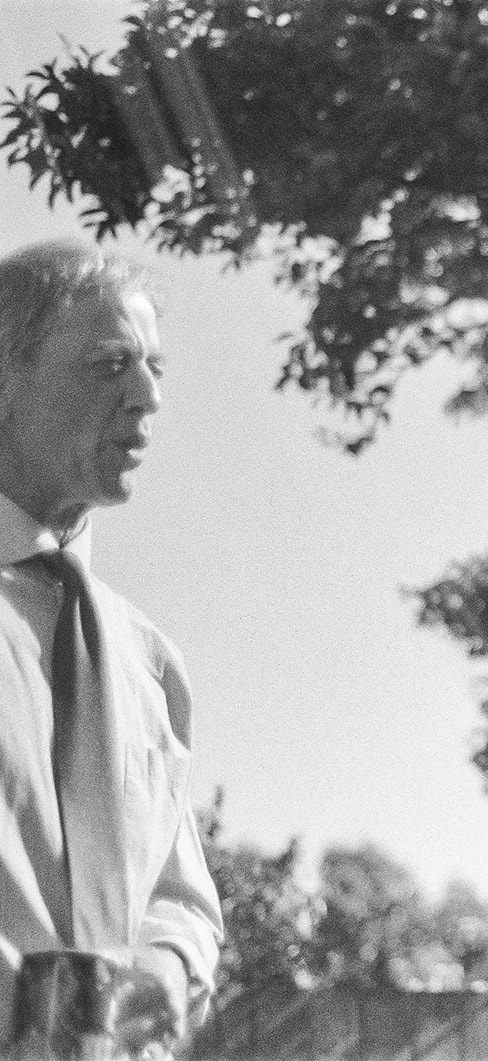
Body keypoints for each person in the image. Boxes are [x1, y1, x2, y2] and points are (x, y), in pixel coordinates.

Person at [0, 240, 223, 1053]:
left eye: (155, 366)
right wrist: (34, 1012)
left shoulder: (148, 661)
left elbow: (178, 896)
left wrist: (164, 966)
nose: (149, 396)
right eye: (108, 364)